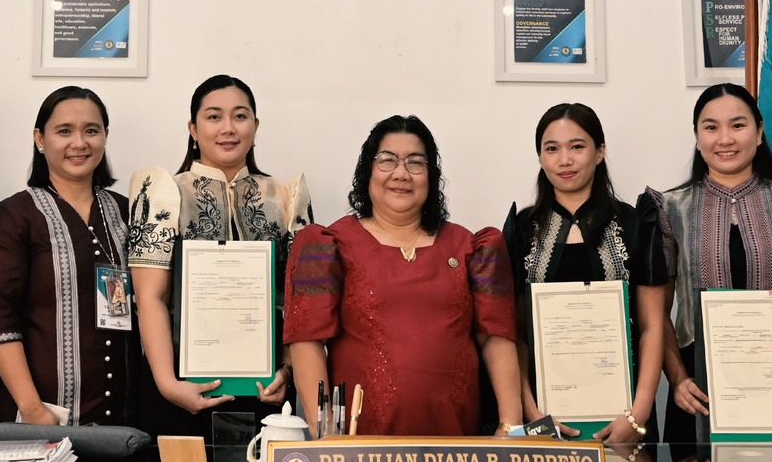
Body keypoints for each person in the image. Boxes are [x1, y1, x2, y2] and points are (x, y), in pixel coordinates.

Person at [285, 115, 522, 436]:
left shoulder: (470, 247)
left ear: (431, 175)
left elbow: (496, 337)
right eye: (387, 160)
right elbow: (307, 341)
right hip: (359, 446)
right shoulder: (330, 244)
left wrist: (510, 425)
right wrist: (325, 431)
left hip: (457, 443)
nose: (401, 173)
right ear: (367, 171)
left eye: (415, 162)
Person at [639, 84, 772, 444]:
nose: (725, 139)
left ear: (760, 132)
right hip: (698, 392)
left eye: (738, 125)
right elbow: (657, 314)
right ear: (697, 137)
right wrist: (678, 379)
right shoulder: (667, 209)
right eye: (711, 127)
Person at [128, 75, 311, 437]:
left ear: (255, 127)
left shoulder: (285, 196)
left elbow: (299, 299)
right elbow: (150, 297)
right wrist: (168, 385)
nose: (228, 128)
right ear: (193, 128)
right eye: (214, 117)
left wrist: (287, 372)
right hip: (180, 387)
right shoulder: (165, 192)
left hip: (265, 391)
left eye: (240, 116)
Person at [502, 103, 668, 442]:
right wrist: (531, 412)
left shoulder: (636, 223)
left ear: (600, 152)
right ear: (540, 157)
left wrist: (638, 413)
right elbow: (514, 333)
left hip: (626, 419)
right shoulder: (521, 230)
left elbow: (653, 325)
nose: (565, 160)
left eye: (577, 146)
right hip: (545, 421)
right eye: (552, 149)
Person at [0, 86, 137, 427]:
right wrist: (32, 408)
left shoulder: (127, 211)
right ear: (40, 138)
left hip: (123, 421)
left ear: (105, 136)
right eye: (64, 131)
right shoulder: (15, 216)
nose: (79, 143)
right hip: (41, 416)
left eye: (91, 130)